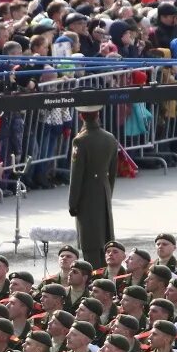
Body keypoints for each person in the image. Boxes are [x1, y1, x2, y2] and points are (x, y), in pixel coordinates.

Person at [67, 104, 118, 269]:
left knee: (89, 242)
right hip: (103, 191)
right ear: (98, 115)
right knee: (105, 239)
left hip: (87, 195)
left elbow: (77, 175)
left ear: (81, 116)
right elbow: (113, 171)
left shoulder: (80, 140)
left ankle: (94, 277)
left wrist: (73, 203)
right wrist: (107, 193)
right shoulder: (110, 137)